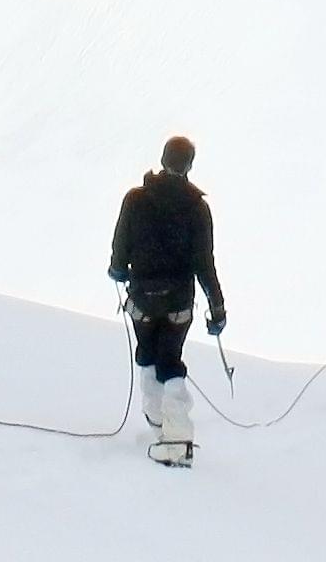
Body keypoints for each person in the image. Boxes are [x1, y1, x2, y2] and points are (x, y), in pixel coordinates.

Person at [107, 133, 230, 469]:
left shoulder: (135, 199)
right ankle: (176, 439)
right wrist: (217, 307)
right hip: (179, 302)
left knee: (147, 354)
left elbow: (120, 247)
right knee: (171, 360)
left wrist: (118, 271)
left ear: (162, 160)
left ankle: (157, 420)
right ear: (189, 165)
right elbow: (205, 261)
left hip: (142, 299)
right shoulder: (197, 208)